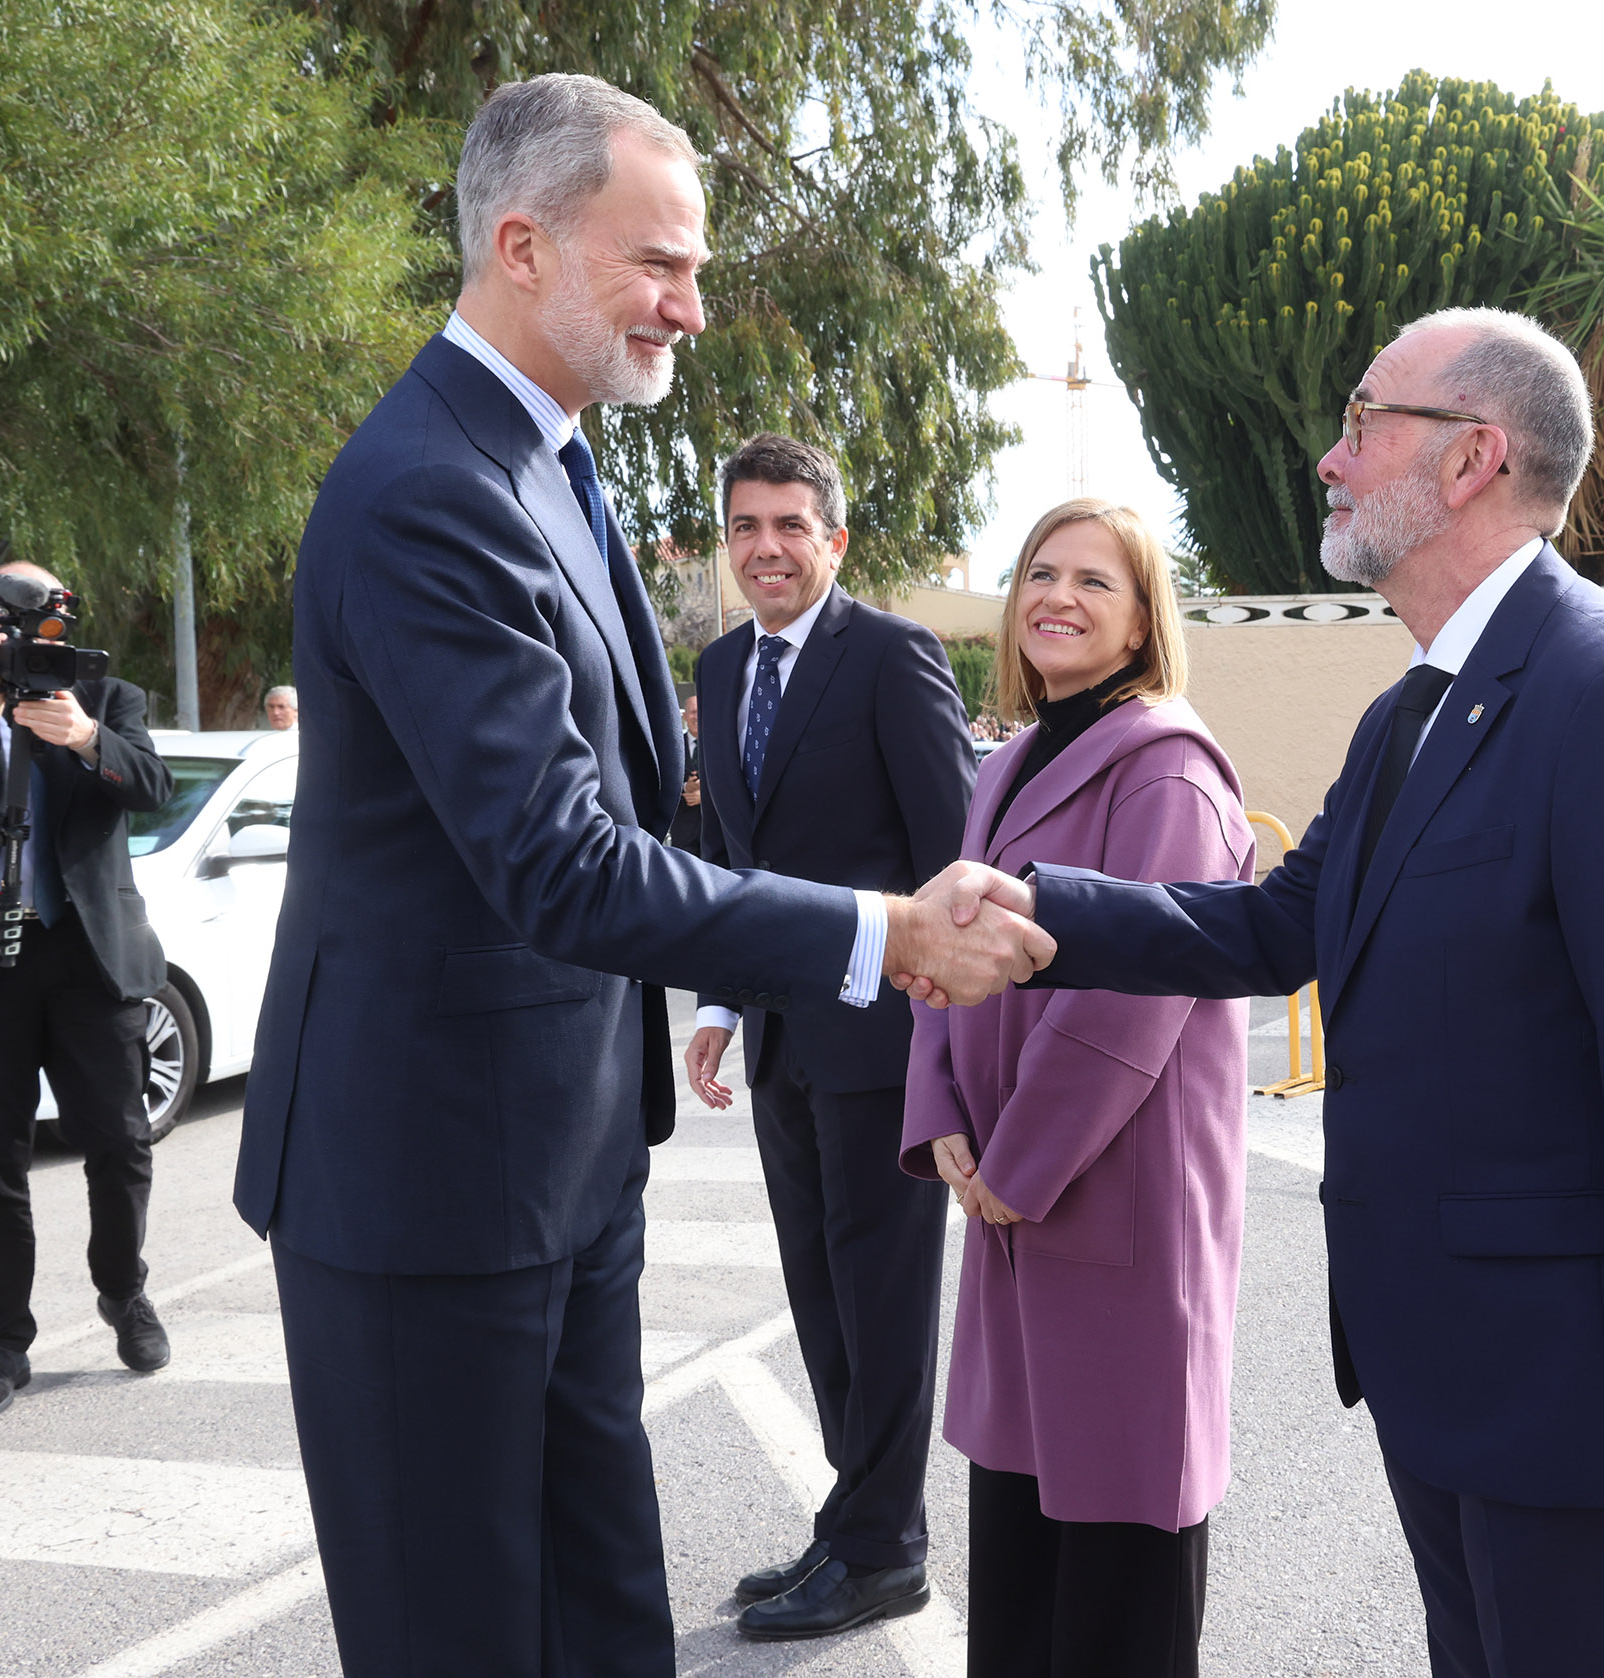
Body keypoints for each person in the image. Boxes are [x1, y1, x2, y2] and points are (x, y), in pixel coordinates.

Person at [232, 74, 1050, 1678]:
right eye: (659, 262)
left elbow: (630, 809)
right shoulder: (430, 491)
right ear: (521, 245)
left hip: (564, 1160)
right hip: (426, 1187)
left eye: (696, 265)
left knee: (603, 1621)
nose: (692, 304)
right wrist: (879, 931)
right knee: (464, 1639)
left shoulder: (552, 457)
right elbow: (559, 856)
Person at [908, 307, 1604, 1678]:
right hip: (1441, 1374)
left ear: (1470, 459)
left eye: (1363, 422)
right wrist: (1038, 906)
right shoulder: (1411, 711)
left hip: (1576, 1398)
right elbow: (1274, 925)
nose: (1329, 459)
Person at [900, 499, 1253, 1678]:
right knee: (1017, 1555)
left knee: (1116, 1566)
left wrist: (1017, 1163)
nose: (1057, 595)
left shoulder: (1170, 770)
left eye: (1095, 581)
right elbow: (941, 948)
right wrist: (939, 1115)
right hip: (1006, 1196)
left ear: (1144, 618)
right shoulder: (1003, 764)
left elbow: (1129, 1001)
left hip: (1111, 1202)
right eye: (1040, 572)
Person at [685, 432, 975, 1639]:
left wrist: (956, 1060)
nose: (766, 548)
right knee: (820, 1296)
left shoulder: (892, 656)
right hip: (779, 1043)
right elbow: (725, 860)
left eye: (789, 525)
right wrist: (717, 1006)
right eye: (745, 526)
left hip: (885, 1042)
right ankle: (849, 1518)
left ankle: (885, 1550)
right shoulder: (717, 667)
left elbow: (953, 856)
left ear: (834, 539)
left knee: (883, 1301)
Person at [0, 563, 176, 1419]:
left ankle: (124, 1291)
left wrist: (85, 737)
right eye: (3, 612)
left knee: (120, 1142)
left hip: (88, 956)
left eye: (49, 613)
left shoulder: (108, 697)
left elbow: (152, 789)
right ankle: (3, 1345)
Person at [668, 691, 703, 854]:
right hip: (683, 831)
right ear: (685, 716)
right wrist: (685, 787)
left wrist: (705, 796)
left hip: (714, 830)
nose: (696, 717)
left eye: (699, 711)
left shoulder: (719, 745)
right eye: (692, 712)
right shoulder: (673, 746)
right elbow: (664, 781)